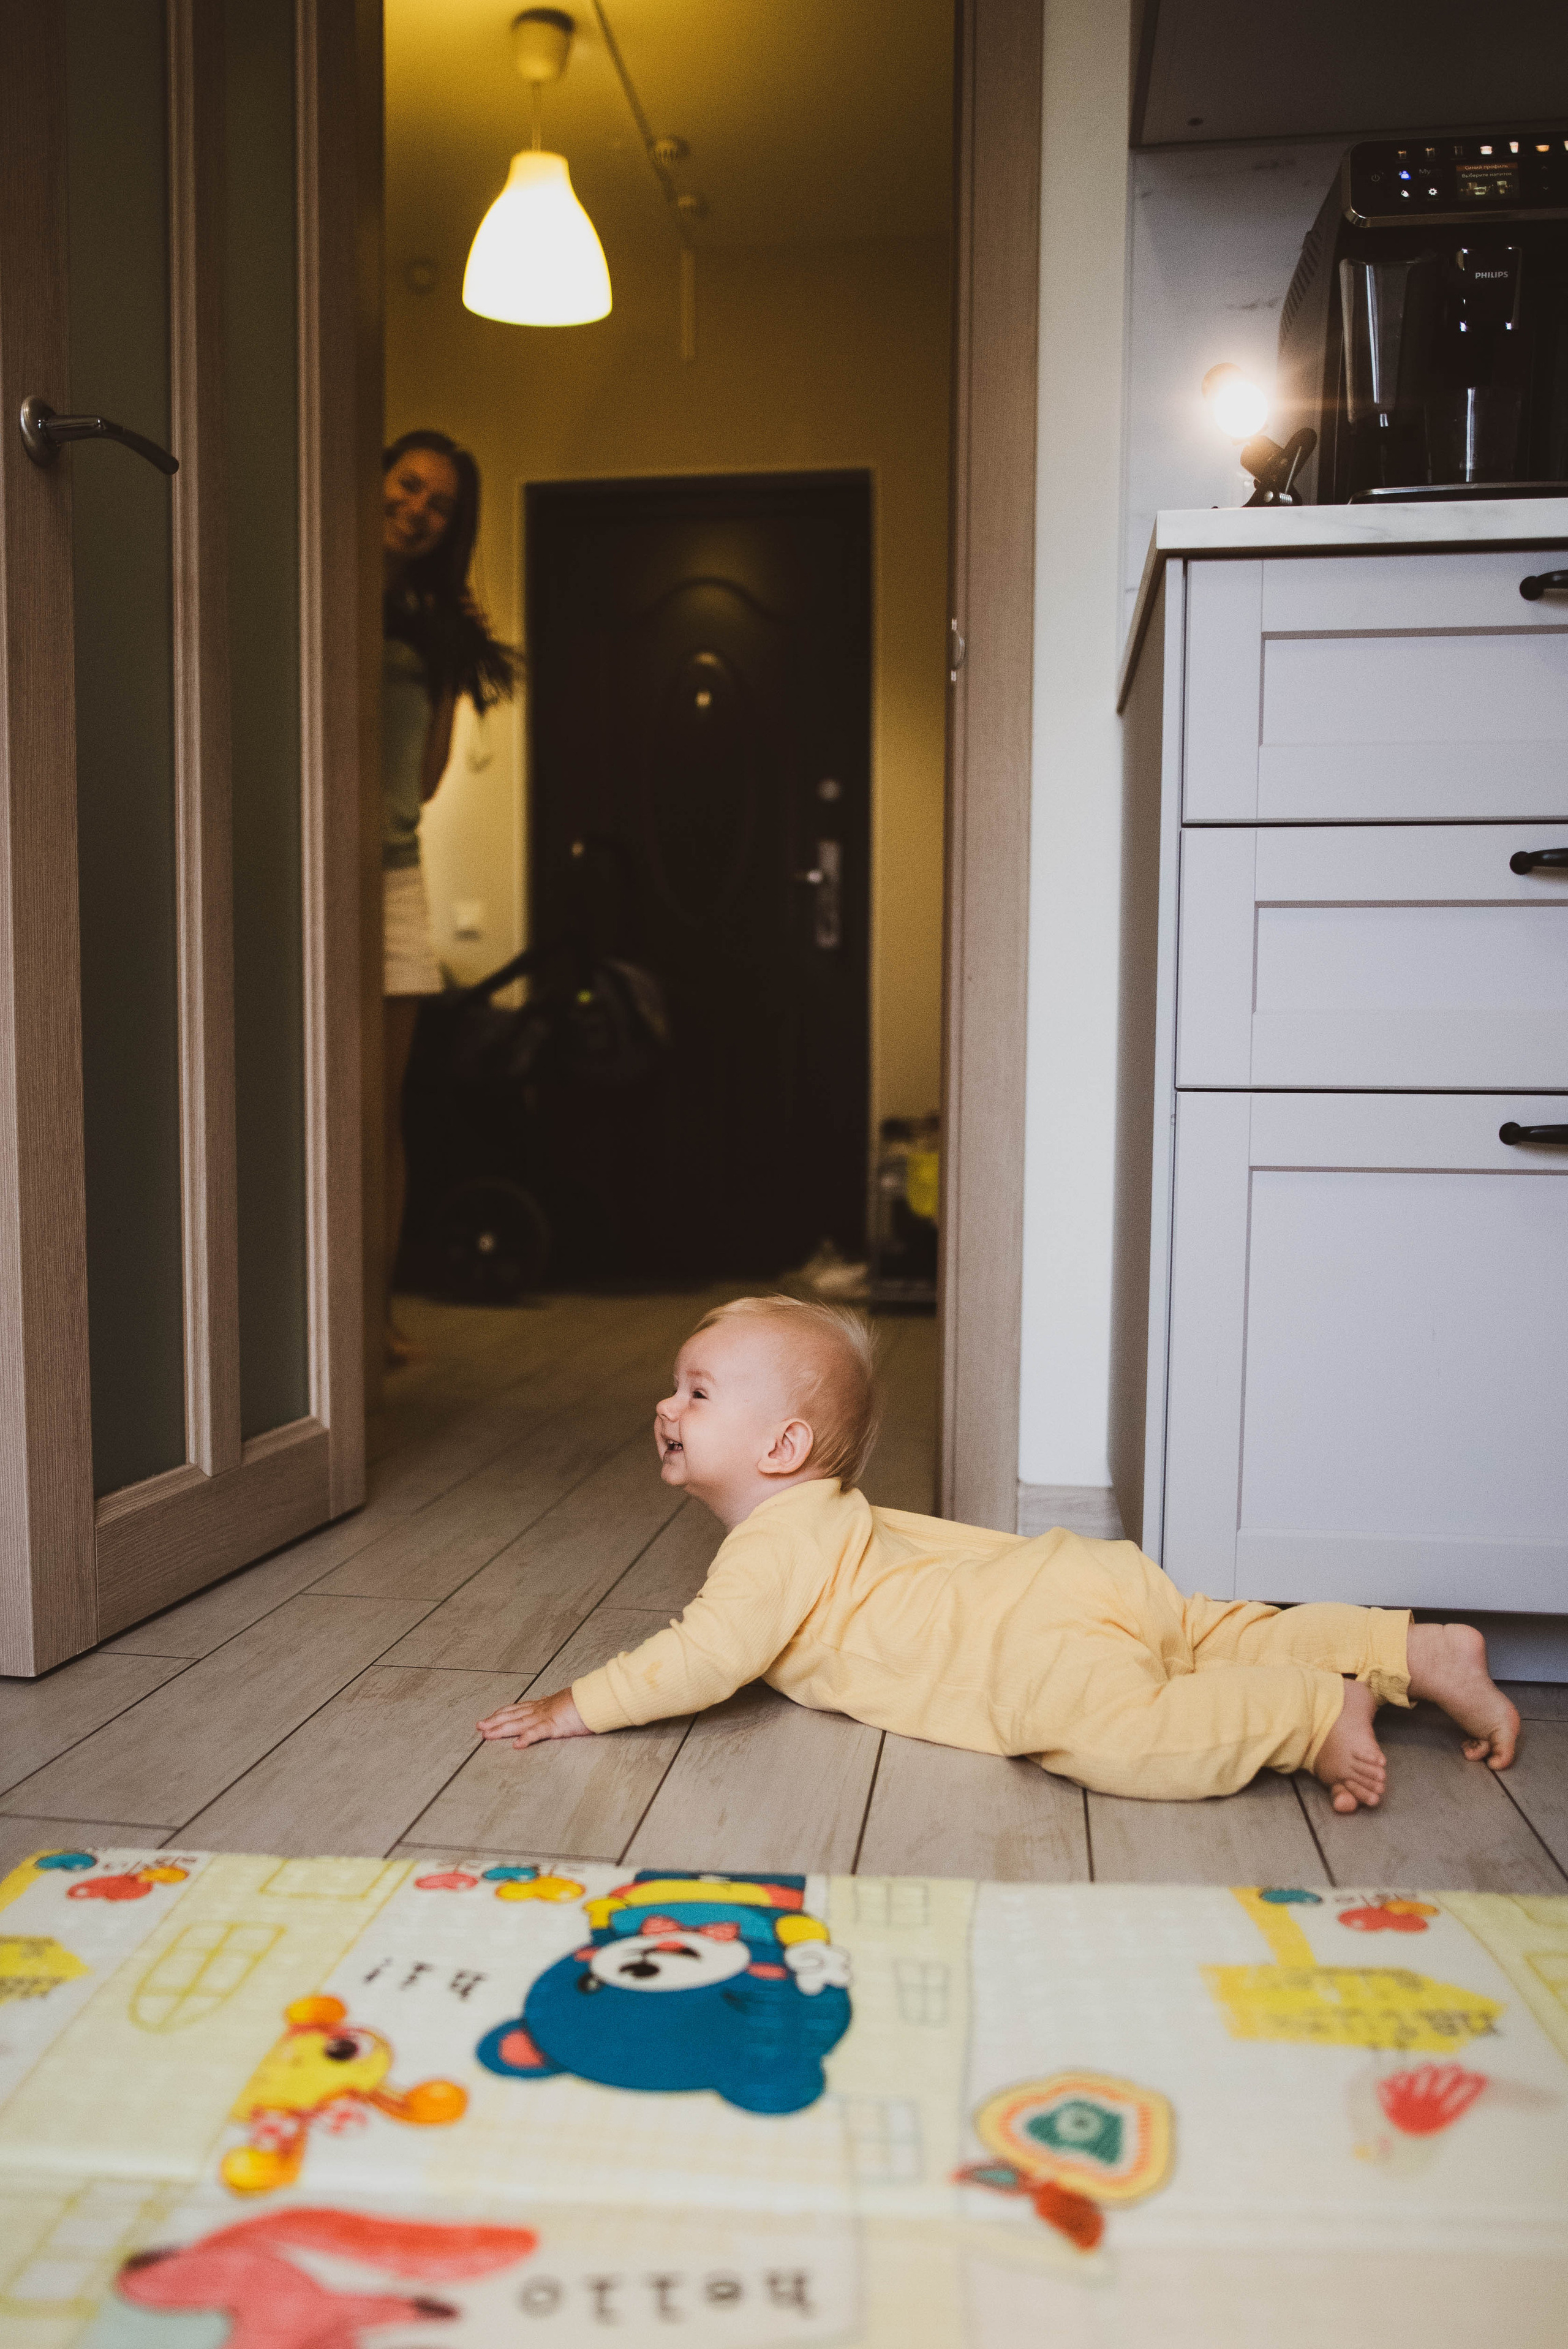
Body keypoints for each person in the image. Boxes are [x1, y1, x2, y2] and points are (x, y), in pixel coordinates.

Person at [477, 1295, 1521, 1809]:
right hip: (1075, 1574)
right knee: (1213, 1633)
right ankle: (1412, 1651)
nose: (666, 1406)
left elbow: (703, 1657)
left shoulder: (766, 1554)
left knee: (1119, 1731)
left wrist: (579, 1705)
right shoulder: (838, 1512)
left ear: (781, 1447)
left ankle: (1311, 1713)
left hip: (1029, 1645)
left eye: (696, 1393)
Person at [380, 430, 515, 1364]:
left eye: (440, 505)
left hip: (389, 873)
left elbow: (426, 783)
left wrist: (445, 673)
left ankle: (366, 1316)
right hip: (296, 867)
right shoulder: (311, 583)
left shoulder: (438, 629)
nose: (418, 510)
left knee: (376, 1113)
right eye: (408, 485)